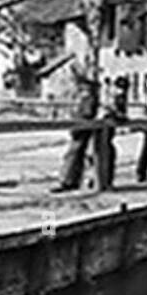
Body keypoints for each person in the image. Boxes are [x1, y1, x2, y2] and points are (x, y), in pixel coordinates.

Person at [52, 57, 100, 193]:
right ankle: (71, 180)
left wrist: (77, 121)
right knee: (75, 154)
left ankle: (68, 180)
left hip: (82, 128)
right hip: (79, 128)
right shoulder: (85, 97)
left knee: (75, 154)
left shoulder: (88, 98)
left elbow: (87, 113)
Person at [95, 75, 130, 188]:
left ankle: (105, 181)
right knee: (105, 153)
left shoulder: (115, 94)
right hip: (104, 125)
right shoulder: (113, 95)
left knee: (107, 153)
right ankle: (104, 182)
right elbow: (111, 108)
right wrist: (118, 115)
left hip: (107, 126)